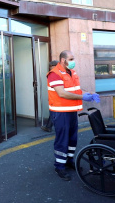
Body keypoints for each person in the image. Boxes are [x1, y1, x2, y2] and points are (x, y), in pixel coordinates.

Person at [47, 50, 99, 181]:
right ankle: (59, 166)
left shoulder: (72, 72)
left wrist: (90, 93)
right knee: (62, 140)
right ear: (63, 60)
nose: (73, 61)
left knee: (72, 139)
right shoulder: (54, 74)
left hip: (71, 112)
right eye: (71, 59)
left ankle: (69, 161)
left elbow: (76, 89)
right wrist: (83, 97)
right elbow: (62, 93)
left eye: (73, 58)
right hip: (60, 112)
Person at [41, 60, 60, 133]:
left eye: (51, 66)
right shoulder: (57, 74)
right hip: (54, 98)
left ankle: (49, 127)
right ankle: (48, 126)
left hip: (56, 99)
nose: (50, 68)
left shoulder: (54, 74)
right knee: (53, 113)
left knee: (53, 113)